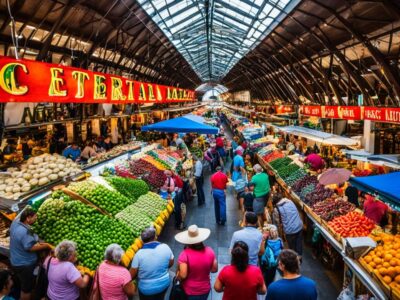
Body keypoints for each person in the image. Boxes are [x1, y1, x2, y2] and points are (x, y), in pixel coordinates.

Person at [10, 207, 53, 300]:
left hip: (15, 261)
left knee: (21, 283)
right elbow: (30, 248)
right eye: (34, 217)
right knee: (26, 289)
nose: (36, 219)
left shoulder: (15, 223)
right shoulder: (24, 232)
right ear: (28, 218)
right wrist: (47, 246)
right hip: (24, 265)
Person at [175, 225, 218, 300]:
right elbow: (214, 269)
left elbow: (183, 275)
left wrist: (177, 276)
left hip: (190, 291)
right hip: (205, 289)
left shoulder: (185, 254)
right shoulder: (210, 251)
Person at [131, 228, 174, 299]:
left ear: (142, 240)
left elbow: (132, 274)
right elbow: (171, 263)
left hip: (146, 290)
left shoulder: (139, 254)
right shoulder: (165, 247)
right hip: (164, 284)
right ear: (155, 237)